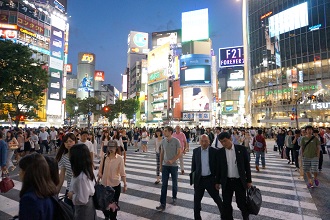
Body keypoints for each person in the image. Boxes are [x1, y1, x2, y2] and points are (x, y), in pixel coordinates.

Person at [217, 132, 252, 220]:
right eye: (221, 142)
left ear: (230, 139)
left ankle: (246, 217)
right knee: (226, 204)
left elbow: (247, 166)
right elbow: (218, 169)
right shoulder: (220, 152)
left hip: (239, 181)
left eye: (225, 141)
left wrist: (249, 180)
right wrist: (217, 182)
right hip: (227, 182)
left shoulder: (241, 149)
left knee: (241, 203)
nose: (223, 143)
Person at [191, 134, 223, 220]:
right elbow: (193, 167)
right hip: (199, 180)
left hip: (211, 180)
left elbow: (218, 168)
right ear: (199, 142)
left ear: (209, 142)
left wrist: (218, 181)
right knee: (196, 202)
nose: (204, 143)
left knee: (218, 200)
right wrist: (193, 181)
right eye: (202, 141)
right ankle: (197, 218)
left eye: (206, 141)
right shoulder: (196, 151)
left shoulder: (214, 151)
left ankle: (224, 216)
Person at [18, 153, 57, 220]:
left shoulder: (29, 199)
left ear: (28, 173)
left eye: (21, 170)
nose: (19, 173)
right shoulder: (49, 189)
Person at [98, 140, 127, 220]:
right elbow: (100, 171)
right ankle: (107, 216)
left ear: (116, 148)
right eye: (109, 147)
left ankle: (113, 218)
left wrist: (125, 184)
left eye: (113, 147)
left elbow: (122, 173)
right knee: (104, 205)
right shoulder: (104, 157)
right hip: (104, 185)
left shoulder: (120, 159)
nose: (111, 149)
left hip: (114, 186)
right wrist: (98, 180)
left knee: (113, 206)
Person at [67, 144, 96, 220]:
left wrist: (71, 195)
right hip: (88, 206)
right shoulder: (86, 171)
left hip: (84, 209)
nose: (69, 157)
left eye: (70, 155)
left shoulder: (81, 177)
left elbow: (83, 199)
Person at [156, 126, 181, 211]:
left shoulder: (176, 141)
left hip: (174, 166)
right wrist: (160, 165)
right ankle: (162, 204)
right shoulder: (163, 141)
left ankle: (174, 197)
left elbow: (179, 153)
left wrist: (173, 160)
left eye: (166, 131)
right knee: (164, 185)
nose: (164, 132)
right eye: (164, 131)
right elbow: (162, 153)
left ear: (170, 132)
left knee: (174, 183)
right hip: (165, 166)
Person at [55, 133, 77, 208]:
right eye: (66, 142)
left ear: (75, 142)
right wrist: (56, 192)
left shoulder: (80, 156)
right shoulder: (64, 158)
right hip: (69, 189)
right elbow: (61, 176)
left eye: (70, 141)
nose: (68, 143)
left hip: (80, 190)